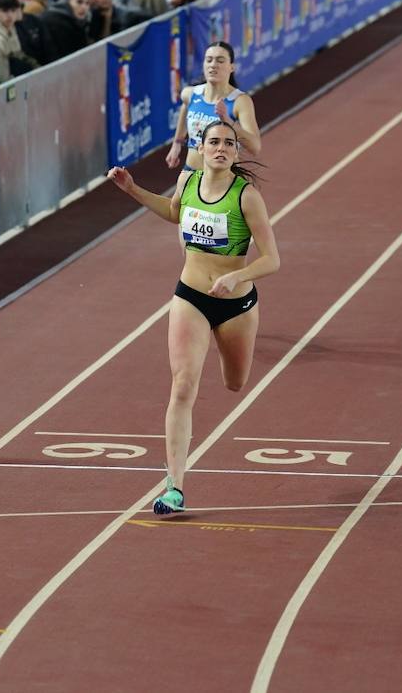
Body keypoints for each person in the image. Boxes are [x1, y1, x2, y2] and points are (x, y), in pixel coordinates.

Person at [106, 118, 280, 515]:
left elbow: (273, 260)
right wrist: (132, 189)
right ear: (201, 149)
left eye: (228, 144)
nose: (220, 148)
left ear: (236, 152)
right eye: (213, 142)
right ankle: (174, 488)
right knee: (183, 385)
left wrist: (237, 275)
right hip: (191, 298)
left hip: (236, 304)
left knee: (235, 384)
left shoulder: (246, 196)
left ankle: (222, 342)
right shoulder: (188, 183)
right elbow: (174, 212)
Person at [168, 41, 261, 189]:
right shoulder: (190, 94)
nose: (213, 65)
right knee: (177, 211)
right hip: (190, 174)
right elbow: (185, 108)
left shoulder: (240, 101)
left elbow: (255, 147)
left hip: (223, 180)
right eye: (209, 60)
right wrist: (177, 143)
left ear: (232, 67)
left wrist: (229, 122)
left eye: (220, 60)